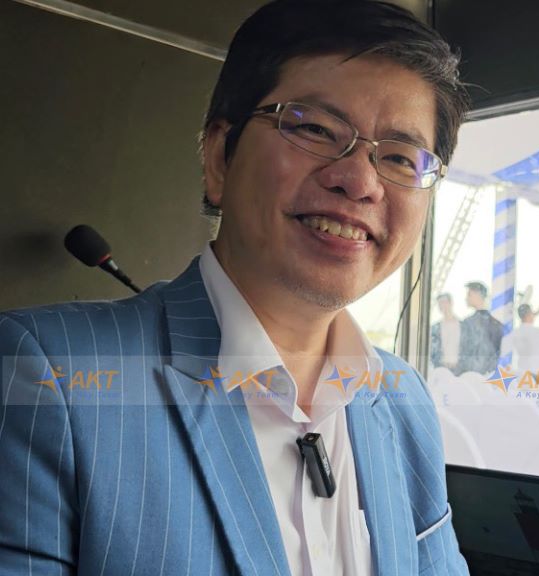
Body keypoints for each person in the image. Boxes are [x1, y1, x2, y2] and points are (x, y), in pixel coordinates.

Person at [0, 1, 470, 574]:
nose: (359, 181)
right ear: (221, 157)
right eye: (315, 128)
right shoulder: (47, 374)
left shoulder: (403, 400)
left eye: (399, 157)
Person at [458, 280, 503, 374]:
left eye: (469, 294)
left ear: (477, 295)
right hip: (490, 375)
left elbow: (463, 353)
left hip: (470, 375)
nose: (466, 298)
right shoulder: (497, 325)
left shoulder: (467, 323)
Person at [430, 292, 461, 373]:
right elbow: (432, 351)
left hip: (460, 369)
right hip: (441, 368)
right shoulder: (435, 328)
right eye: (439, 303)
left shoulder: (463, 326)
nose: (442, 305)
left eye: (444, 302)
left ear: (451, 303)